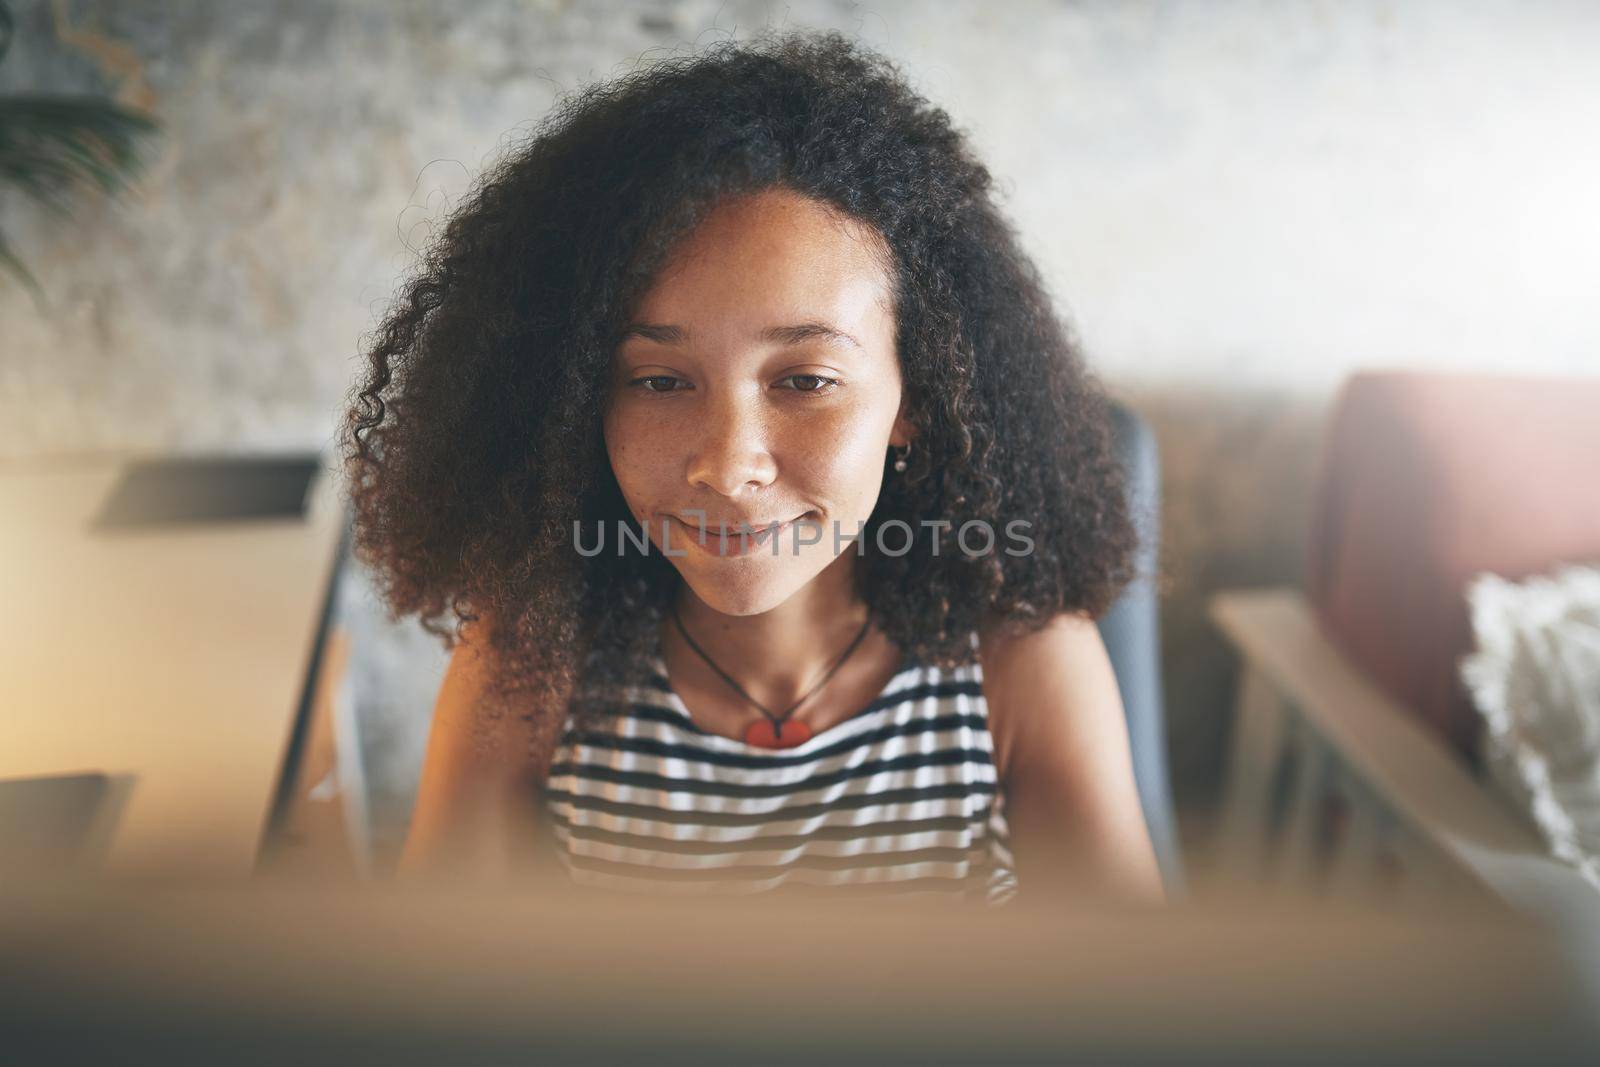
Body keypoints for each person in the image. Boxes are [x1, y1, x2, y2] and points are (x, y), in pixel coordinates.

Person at [343, 29, 1164, 906]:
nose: (729, 464)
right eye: (659, 379)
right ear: (579, 402)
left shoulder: (1020, 667)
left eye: (806, 379)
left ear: (915, 398)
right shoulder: (528, 668)